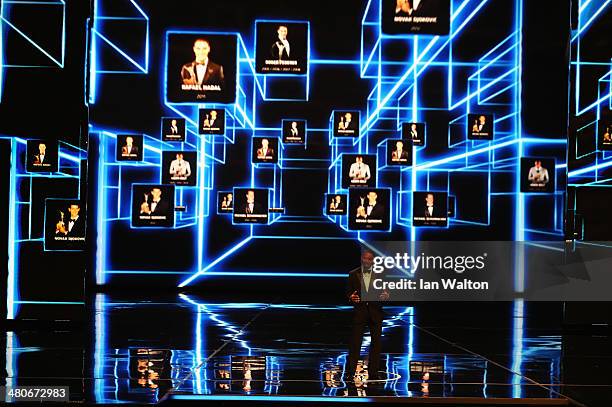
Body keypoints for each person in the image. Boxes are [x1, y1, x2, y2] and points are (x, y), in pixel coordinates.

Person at [346, 248, 389, 380]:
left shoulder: (381, 275)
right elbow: (349, 292)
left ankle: (374, 372)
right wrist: (351, 297)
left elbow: (386, 292)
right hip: (360, 312)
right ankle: (351, 371)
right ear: (361, 259)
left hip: (375, 312)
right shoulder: (353, 274)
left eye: (369, 259)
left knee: (376, 344)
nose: (366, 261)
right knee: (355, 343)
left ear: (373, 261)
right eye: (364, 258)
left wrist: (386, 295)